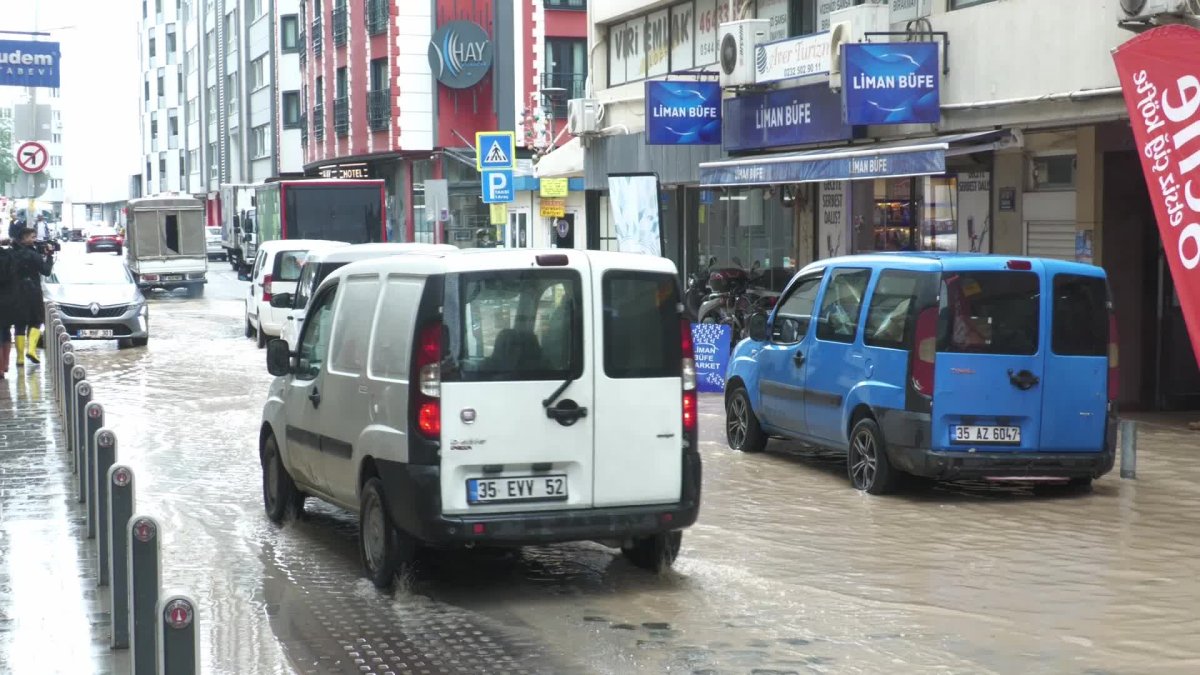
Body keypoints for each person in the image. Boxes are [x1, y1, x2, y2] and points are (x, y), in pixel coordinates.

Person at [8, 227, 54, 368]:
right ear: (24, 238)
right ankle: (32, 351)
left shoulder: (11, 253)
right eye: (32, 237)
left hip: (15, 292)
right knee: (36, 320)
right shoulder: (34, 255)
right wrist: (50, 256)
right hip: (33, 292)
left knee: (19, 324)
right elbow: (46, 271)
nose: (35, 240)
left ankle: (20, 358)